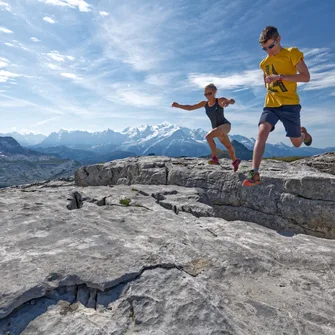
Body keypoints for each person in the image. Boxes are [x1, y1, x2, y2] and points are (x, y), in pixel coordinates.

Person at [243, 26, 312, 187]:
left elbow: (306, 77)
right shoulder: (264, 63)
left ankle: (303, 135)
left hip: (290, 105)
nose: (268, 51)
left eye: (270, 46)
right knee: (262, 130)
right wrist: (269, 82)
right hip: (271, 105)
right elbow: (266, 82)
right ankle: (254, 173)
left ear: (278, 39)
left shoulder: (292, 53)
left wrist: (280, 77)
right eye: (264, 48)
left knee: (296, 143)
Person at [171, 83, 241, 171]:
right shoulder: (205, 104)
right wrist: (178, 105)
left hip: (225, 125)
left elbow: (232, 100)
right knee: (228, 146)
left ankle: (214, 158)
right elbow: (191, 107)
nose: (207, 96)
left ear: (214, 92)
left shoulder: (219, 100)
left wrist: (228, 101)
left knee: (208, 136)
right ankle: (235, 161)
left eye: (209, 93)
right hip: (216, 128)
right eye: (205, 94)